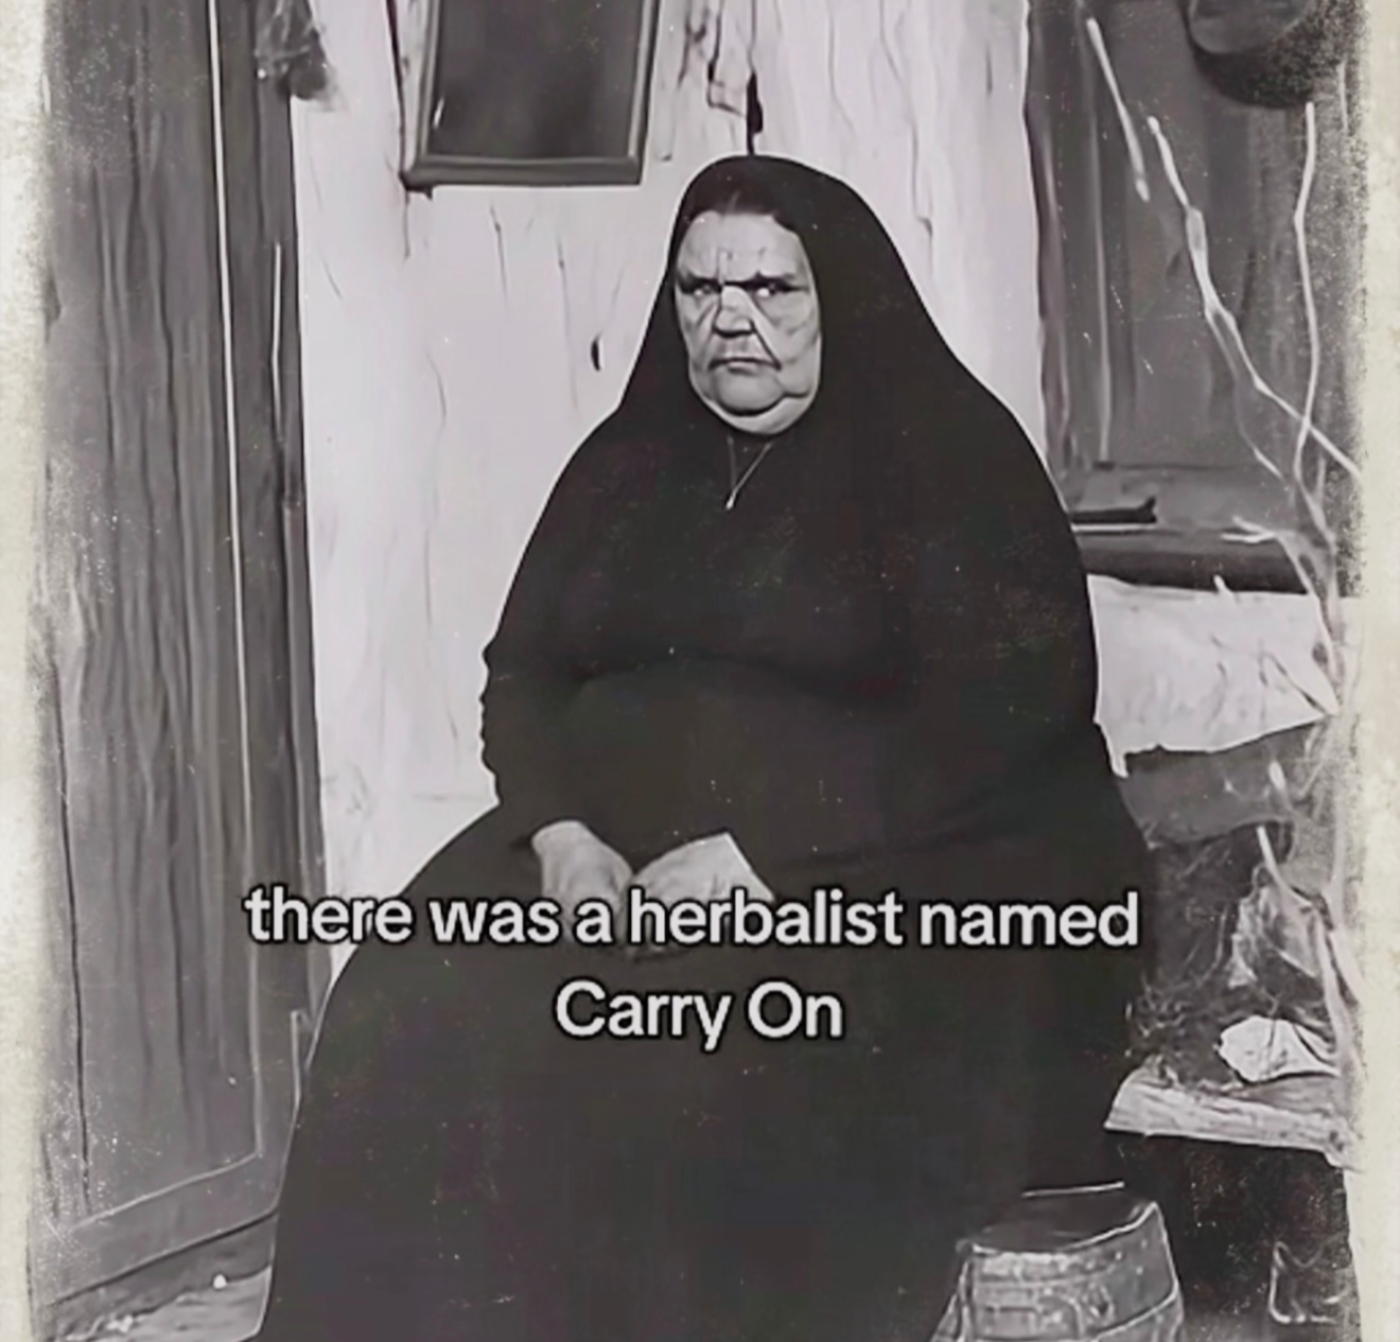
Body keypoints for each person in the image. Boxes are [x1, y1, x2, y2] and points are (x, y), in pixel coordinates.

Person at [256, 156, 1150, 1342]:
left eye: (770, 289)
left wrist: (761, 854)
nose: (729, 318)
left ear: (840, 296)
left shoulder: (949, 456)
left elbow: (1002, 719)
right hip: (624, 848)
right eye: (698, 288)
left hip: (913, 860)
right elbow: (525, 674)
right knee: (403, 989)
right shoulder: (625, 461)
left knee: (692, 1049)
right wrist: (561, 835)